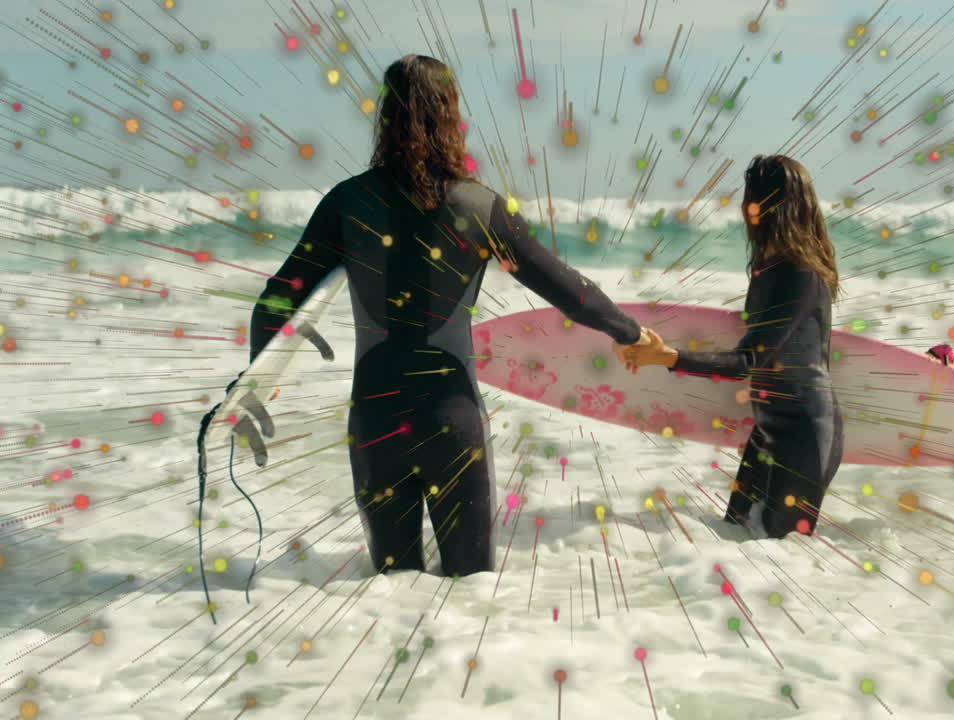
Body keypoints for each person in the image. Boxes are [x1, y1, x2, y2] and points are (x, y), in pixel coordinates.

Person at [235, 55, 653, 579]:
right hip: (450, 419)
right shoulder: (481, 207)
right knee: (470, 593)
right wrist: (631, 333)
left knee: (391, 592)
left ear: (385, 115)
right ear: (452, 114)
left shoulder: (348, 201)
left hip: (375, 422)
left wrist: (259, 375)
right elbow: (570, 291)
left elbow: (278, 295)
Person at [621, 155, 843, 539]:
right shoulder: (767, 268)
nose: (744, 208)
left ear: (769, 206)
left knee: (779, 556)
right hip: (767, 428)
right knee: (736, 539)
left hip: (805, 432)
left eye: (750, 197)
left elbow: (749, 358)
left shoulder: (800, 275)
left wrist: (669, 357)